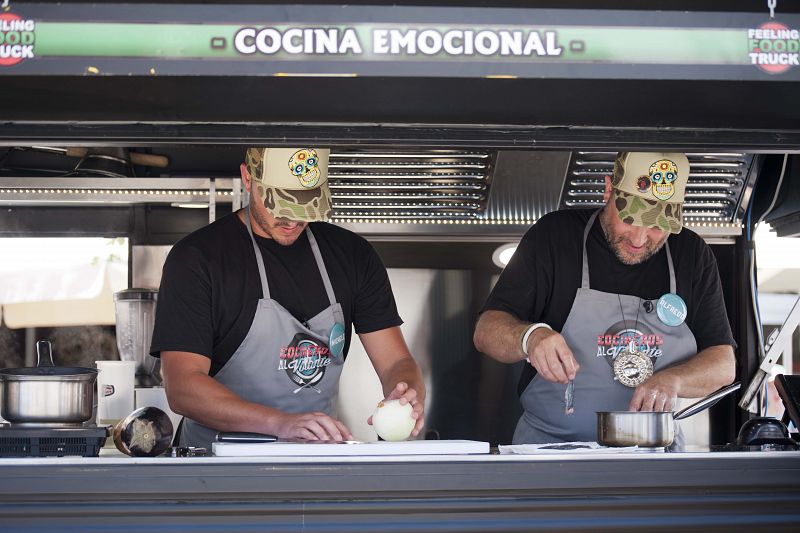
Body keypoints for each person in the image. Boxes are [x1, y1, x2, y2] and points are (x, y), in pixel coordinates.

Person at [150, 147, 425, 449]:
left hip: (314, 464)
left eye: (305, 205)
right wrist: (281, 424)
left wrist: (406, 392)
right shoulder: (197, 259)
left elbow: (396, 360)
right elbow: (183, 386)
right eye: (280, 204)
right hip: (216, 468)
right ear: (247, 177)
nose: (292, 220)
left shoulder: (353, 256)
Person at [473, 152, 736, 444]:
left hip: (652, 457)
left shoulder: (692, 254)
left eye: (656, 226)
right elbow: (486, 331)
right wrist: (530, 338)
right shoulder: (555, 237)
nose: (639, 239)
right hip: (548, 453)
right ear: (608, 189)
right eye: (629, 218)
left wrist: (674, 380)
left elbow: (723, 364)